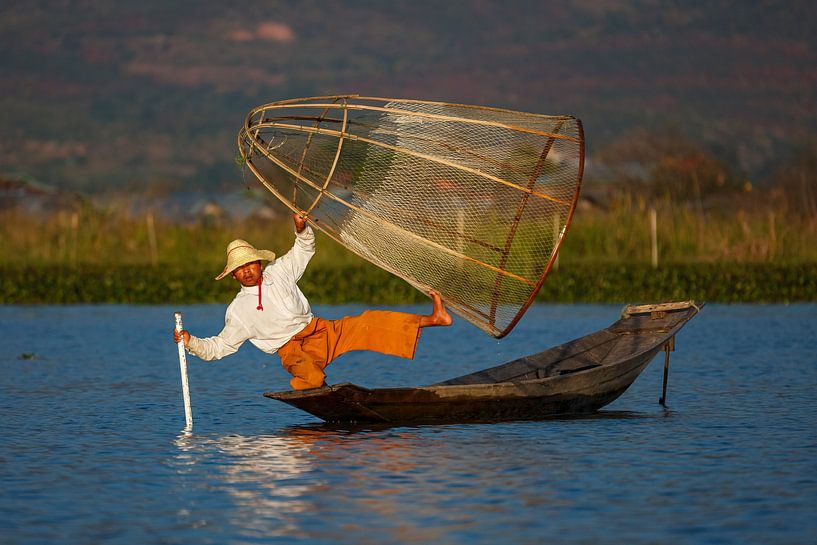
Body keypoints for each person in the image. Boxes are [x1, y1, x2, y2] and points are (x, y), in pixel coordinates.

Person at [173, 213, 452, 390]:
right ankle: (314, 387)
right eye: (240, 268)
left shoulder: (280, 271)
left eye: (250, 264)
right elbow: (220, 346)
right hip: (292, 350)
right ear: (233, 276)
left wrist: (301, 228)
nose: (246, 270)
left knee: (369, 321)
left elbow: (305, 248)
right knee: (312, 378)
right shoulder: (238, 310)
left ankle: (433, 319)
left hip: (320, 330)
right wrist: (190, 342)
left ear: (259, 263)